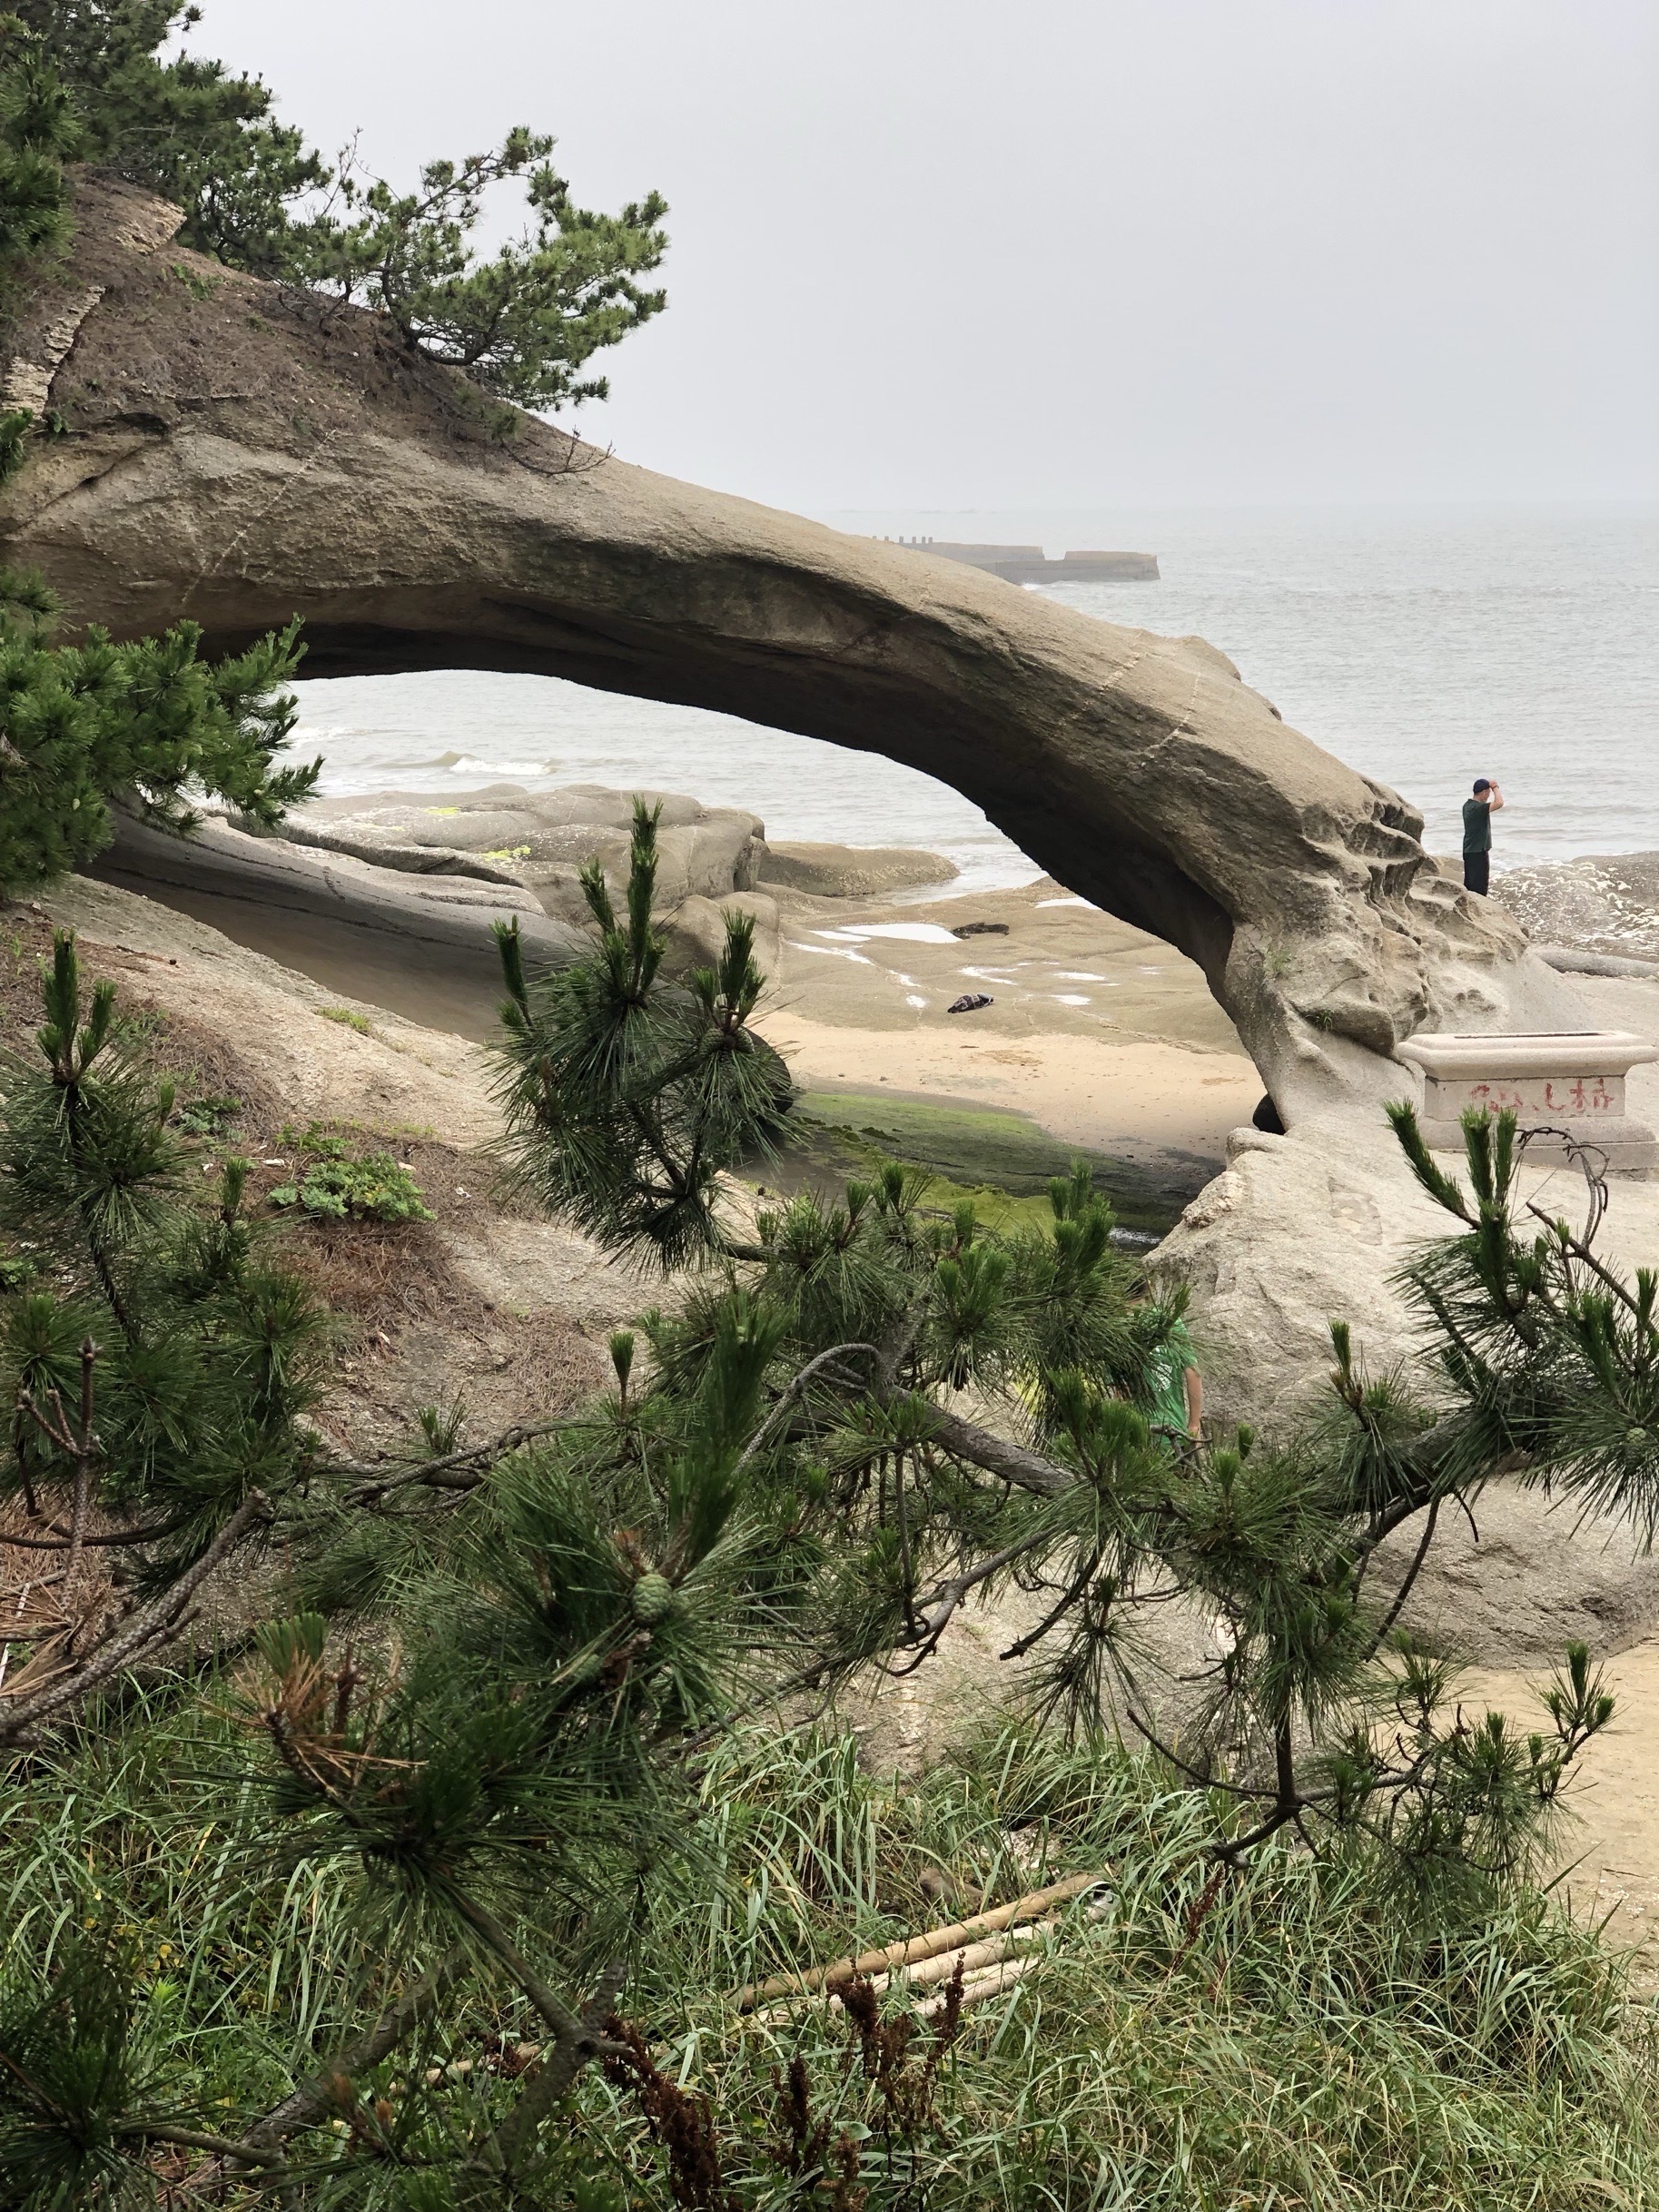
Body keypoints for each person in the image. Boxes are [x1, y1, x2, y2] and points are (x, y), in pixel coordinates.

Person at [1145, 1316, 1203, 1445]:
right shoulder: (1169, 1320)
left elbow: (1119, 1393)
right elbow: (1193, 1372)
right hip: (1175, 1432)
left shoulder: (1118, 1324)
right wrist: (1194, 1425)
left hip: (1138, 1436)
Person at [1461, 776, 1504, 895]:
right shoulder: (1478, 808)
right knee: (1479, 888)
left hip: (1471, 850)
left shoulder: (1467, 805)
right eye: (1488, 793)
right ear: (1484, 792)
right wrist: (1495, 787)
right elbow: (1499, 803)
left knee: (1470, 885)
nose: (1489, 796)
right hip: (1477, 852)